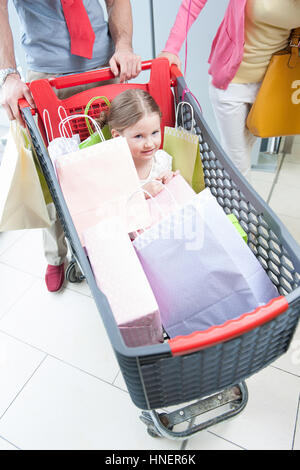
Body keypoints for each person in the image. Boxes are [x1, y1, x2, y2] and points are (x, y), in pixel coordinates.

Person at [0, 0, 142, 292]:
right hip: (46, 78)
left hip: (104, 67)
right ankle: (56, 255)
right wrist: (8, 75)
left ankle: (107, 244)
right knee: (52, 176)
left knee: (108, 164)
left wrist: (124, 46)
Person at [159, 0, 300, 181]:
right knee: (238, 164)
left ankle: (241, 206)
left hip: (271, 86)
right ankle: (243, 208)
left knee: (245, 149)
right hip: (232, 83)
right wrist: (171, 48)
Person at [98, 89, 178, 198]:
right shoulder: (114, 172)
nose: (149, 144)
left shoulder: (162, 160)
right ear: (117, 137)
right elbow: (111, 206)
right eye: (139, 136)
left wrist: (170, 178)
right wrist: (142, 194)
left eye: (154, 132)